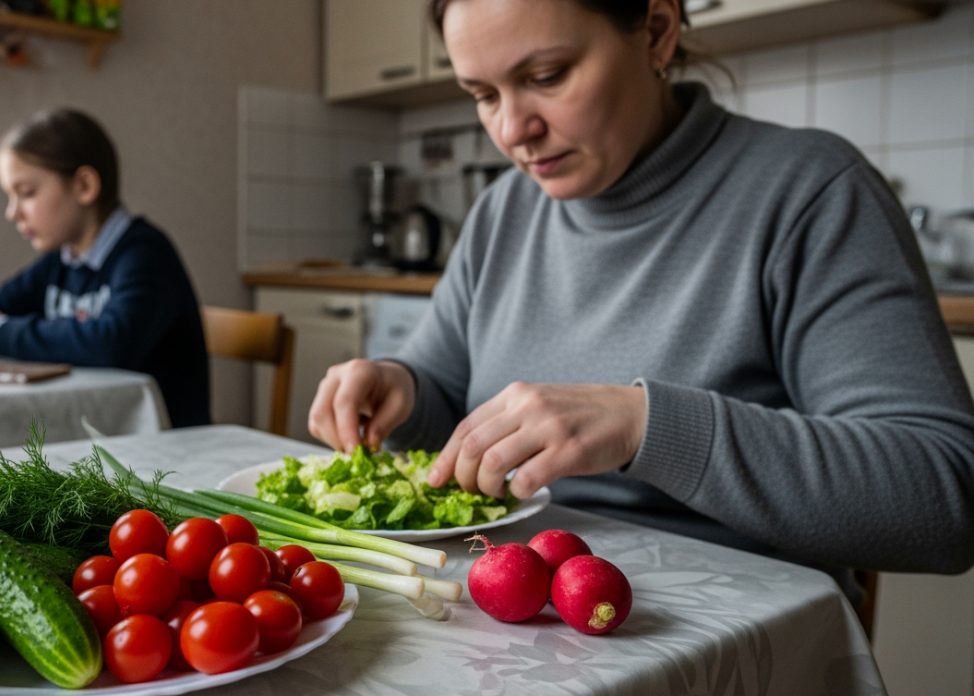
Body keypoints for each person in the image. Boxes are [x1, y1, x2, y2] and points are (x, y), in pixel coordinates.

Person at [307, 0, 974, 604]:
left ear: (657, 31)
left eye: (546, 76)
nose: (512, 130)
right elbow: (445, 404)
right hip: (517, 617)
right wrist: (397, 389)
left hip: (730, 638)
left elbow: (947, 499)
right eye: (482, 95)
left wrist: (647, 426)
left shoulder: (811, 192)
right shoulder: (502, 211)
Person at [0, 108, 211, 428]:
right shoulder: (62, 260)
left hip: (166, 451)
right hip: (99, 440)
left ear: (84, 186)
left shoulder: (145, 254)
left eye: (26, 193)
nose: (12, 213)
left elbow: (113, 343)